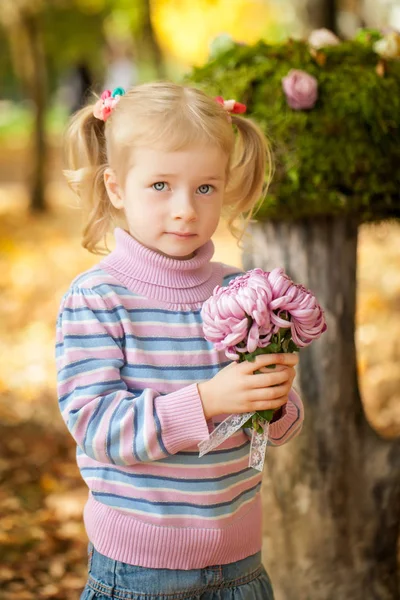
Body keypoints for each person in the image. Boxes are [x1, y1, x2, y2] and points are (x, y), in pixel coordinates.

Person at [55, 82, 304, 600]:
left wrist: (275, 397)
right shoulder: (99, 297)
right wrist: (208, 402)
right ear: (117, 187)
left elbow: (280, 430)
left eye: (205, 188)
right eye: (161, 186)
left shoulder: (244, 291)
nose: (185, 209)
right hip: (141, 571)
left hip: (241, 565)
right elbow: (98, 427)